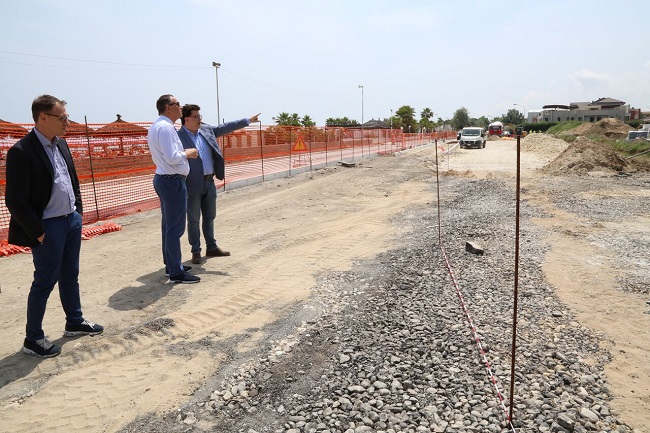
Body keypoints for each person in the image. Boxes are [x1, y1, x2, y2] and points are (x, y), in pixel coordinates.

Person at [5, 95, 104, 358]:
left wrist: (77, 214)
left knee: (70, 274)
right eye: (62, 117)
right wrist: (38, 232)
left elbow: (72, 182)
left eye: (66, 116)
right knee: (44, 281)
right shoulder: (21, 151)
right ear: (42, 118)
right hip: (47, 227)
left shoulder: (61, 145)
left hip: (70, 221)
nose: (67, 122)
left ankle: (74, 320)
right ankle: (33, 338)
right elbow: (15, 201)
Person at [177, 104, 260, 264]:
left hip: (209, 182)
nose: (199, 119)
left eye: (200, 116)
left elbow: (225, 127)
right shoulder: (178, 137)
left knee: (210, 216)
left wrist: (247, 121)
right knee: (193, 219)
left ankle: (212, 247)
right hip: (191, 184)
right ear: (186, 119)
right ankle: (196, 251)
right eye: (196, 117)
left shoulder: (207, 130)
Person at [147, 95, 201, 284]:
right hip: (171, 180)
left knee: (168, 226)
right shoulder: (166, 128)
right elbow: (172, 157)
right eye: (177, 104)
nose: (180, 107)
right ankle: (176, 271)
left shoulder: (157, 126)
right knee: (175, 229)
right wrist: (189, 152)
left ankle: (172, 264)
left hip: (165, 179)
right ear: (168, 108)